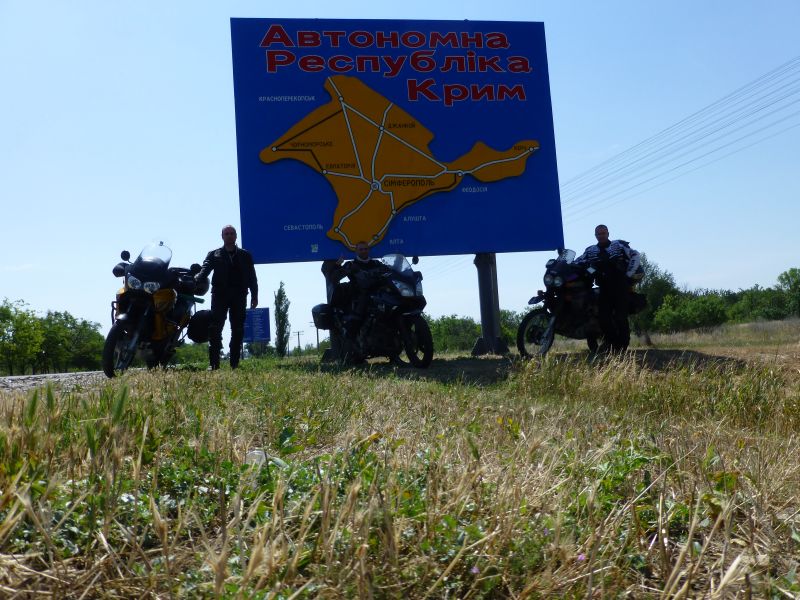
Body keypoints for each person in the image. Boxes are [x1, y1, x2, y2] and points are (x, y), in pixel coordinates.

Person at [196, 225, 258, 369]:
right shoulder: (214, 254)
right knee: (215, 328)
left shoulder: (245, 255)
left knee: (238, 329)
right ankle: (214, 364)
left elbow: (252, 277)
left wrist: (255, 296)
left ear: (235, 236)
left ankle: (234, 364)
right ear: (222, 236)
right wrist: (197, 279)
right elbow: (205, 269)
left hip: (239, 295)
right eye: (227, 233)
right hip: (220, 295)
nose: (229, 236)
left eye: (232, 233)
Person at [575, 224, 641, 353]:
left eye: (603, 233)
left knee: (620, 317)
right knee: (603, 318)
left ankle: (623, 347)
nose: (601, 236)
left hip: (620, 285)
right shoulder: (590, 250)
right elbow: (578, 261)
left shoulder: (618, 245)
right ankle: (613, 343)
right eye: (599, 234)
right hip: (604, 288)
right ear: (595, 235)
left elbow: (635, 255)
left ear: (608, 234)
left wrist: (628, 274)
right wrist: (563, 264)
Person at [322, 241, 388, 335]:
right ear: (356, 251)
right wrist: (337, 266)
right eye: (361, 249)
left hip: (379, 295)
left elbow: (390, 271)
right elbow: (334, 278)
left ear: (369, 250)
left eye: (365, 249)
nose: (363, 251)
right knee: (358, 312)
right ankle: (352, 332)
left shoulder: (377, 263)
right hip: (359, 295)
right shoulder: (351, 264)